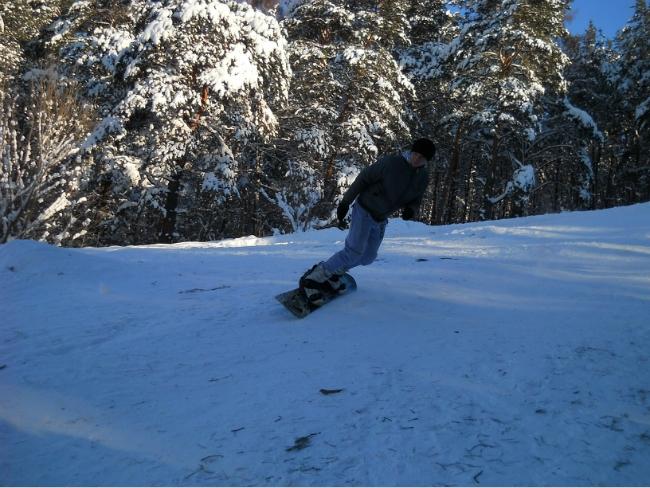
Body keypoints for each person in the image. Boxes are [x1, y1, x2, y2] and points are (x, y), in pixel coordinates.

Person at [300, 137, 435, 304]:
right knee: (353, 252)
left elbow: (416, 199)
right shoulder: (391, 163)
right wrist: (345, 202)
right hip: (364, 210)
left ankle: (335, 272)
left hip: (381, 218)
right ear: (411, 151)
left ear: (426, 161)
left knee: (368, 257)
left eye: (422, 157)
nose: (416, 159)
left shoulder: (423, 177)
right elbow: (363, 178)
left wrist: (411, 209)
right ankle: (313, 278)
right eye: (415, 154)